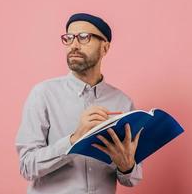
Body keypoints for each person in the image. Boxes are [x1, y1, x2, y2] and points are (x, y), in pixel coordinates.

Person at [15, 13, 143, 194]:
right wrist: (74, 139)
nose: (74, 45)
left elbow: (133, 178)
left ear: (104, 48)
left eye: (84, 37)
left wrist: (127, 166)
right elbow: (27, 166)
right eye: (69, 38)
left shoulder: (122, 102)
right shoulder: (43, 94)